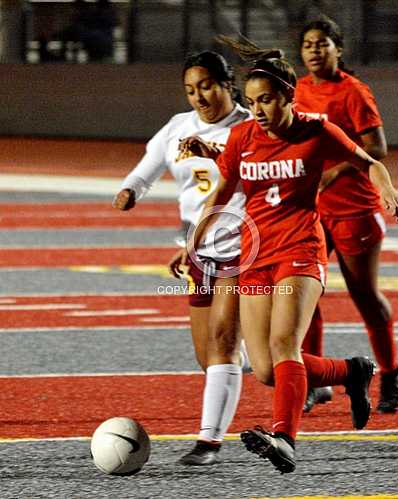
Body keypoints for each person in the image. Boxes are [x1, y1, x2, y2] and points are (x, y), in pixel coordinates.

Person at [180, 36, 398, 474]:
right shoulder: (242, 137)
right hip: (256, 253)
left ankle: (284, 438)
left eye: (266, 100)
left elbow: (370, 162)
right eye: (252, 101)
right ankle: (350, 371)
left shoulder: (317, 130)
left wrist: (387, 189)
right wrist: (193, 244)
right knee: (266, 369)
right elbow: (221, 198)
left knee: (286, 344)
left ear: (288, 95)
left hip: (301, 249)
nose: (258, 110)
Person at [113, 51, 252, 465]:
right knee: (208, 356)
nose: (199, 96)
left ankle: (208, 442)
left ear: (228, 84)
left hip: (243, 247)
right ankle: (330, 372)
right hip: (196, 248)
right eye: (190, 90)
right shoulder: (178, 127)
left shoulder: (249, 127)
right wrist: (130, 190)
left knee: (223, 345)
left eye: (207, 86)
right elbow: (148, 166)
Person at [295, 16, 398, 414]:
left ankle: (391, 372)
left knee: (365, 298)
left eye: (322, 44)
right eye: (308, 44)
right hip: (311, 211)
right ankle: (318, 380)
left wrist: (337, 171)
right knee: (304, 294)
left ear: (338, 49)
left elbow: (378, 148)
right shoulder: (297, 90)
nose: (314, 50)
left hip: (354, 207)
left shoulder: (354, 92)